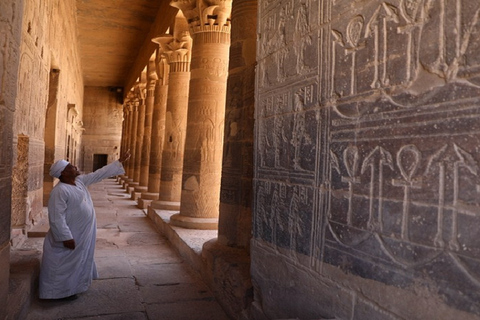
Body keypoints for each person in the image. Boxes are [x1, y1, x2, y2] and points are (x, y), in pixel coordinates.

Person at [39, 151, 131, 300]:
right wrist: (65, 237)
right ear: (63, 173)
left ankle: (74, 287)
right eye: (70, 166)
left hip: (82, 233)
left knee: (79, 260)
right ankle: (56, 293)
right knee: (63, 265)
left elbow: (99, 174)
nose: (74, 166)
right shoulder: (60, 191)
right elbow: (56, 218)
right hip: (71, 234)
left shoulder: (79, 182)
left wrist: (119, 161)